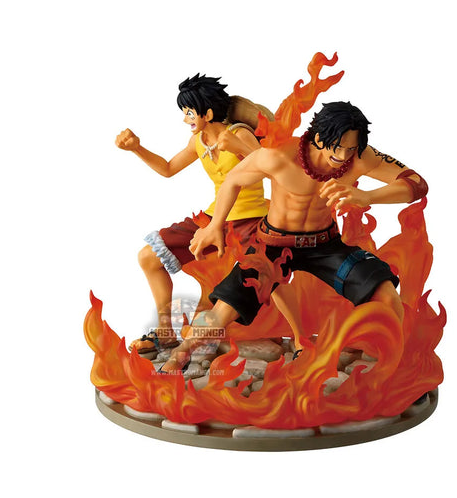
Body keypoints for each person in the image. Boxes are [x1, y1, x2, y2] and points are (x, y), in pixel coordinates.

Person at [160, 101, 428, 372]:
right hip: (274, 244)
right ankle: (179, 355)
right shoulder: (278, 156)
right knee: (225, 309)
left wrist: (369, 196)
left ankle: (396, 366)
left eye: (350, 148)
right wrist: (215, 225)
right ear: (318, 136)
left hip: (325, 245)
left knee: (385, 293)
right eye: (337, 147)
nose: (343, 156)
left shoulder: (360, 156)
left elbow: (416, 183)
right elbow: (233, 180)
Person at [115, 74, 273, 352]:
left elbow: (271, 167)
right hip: (213, 219)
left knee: (266, 275)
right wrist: (137, 148)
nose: (185, 119)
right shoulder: (198, 141)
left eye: (189, 112)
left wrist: (240, 147)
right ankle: (165, 331)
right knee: (149, 257)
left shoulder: (239, 134)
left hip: (250, 219)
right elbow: (168, 168)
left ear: (207, 113)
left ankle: (294, 335)